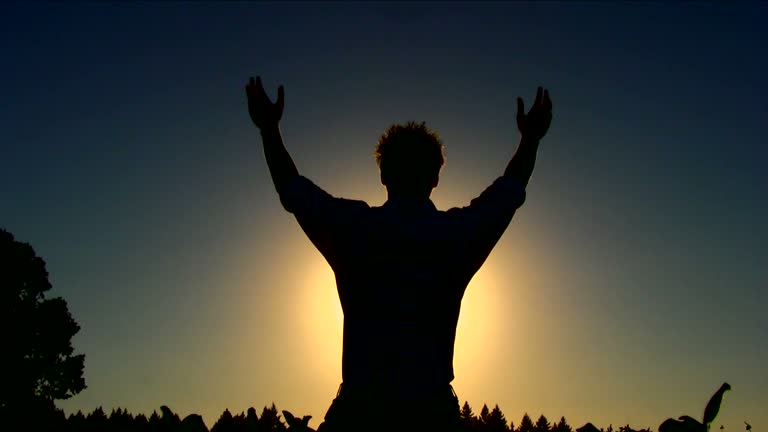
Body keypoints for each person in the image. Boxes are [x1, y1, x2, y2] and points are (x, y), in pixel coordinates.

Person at [246, 76, 552, 432]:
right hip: (431, 419)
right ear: (436, 177)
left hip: (359, 418)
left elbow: (292, 189)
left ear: (382, 174)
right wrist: (530, 139)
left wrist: (269, 129)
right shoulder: (456, 235)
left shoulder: (353, 228)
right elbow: (508, 192)